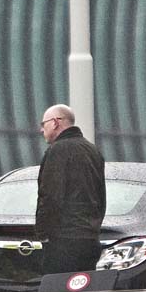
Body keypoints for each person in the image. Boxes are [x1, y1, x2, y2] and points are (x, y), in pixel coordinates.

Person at [35, 104, 106, 275]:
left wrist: (42, 232)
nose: (41, 130)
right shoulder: (93, 150)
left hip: (63, 241)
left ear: (55, 122)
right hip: (90, 239)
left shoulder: (57, 151)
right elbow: (100, 195)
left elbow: (51, 196)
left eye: (43, 124)